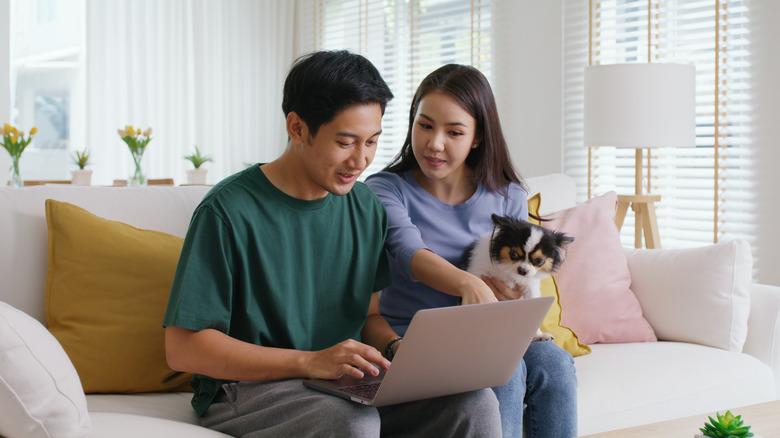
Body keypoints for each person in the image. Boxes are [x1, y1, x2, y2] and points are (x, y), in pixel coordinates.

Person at [162, 51, 502, 437]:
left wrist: (395, 350)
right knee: (351, 422)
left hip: (341, 382)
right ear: (297, 127)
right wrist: (310, 361)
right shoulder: (226, 212)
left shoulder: (366, 207)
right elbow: (183, 348)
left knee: (475, 403)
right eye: (345, 142)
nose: (361, 160)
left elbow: (369, 316)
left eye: (372, 142)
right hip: (247, 389)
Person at [364, 64, 578, 438]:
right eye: (425, 125)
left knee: (555, 364)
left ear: (478, 137)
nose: (434, 143)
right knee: (504, 372)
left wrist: (513, 298)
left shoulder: (508, 194)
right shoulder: (385, 189)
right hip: (415, 344)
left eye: (454, 132)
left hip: (488, 334)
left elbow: (515, 287)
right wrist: (469, 285)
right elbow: (406, 250)